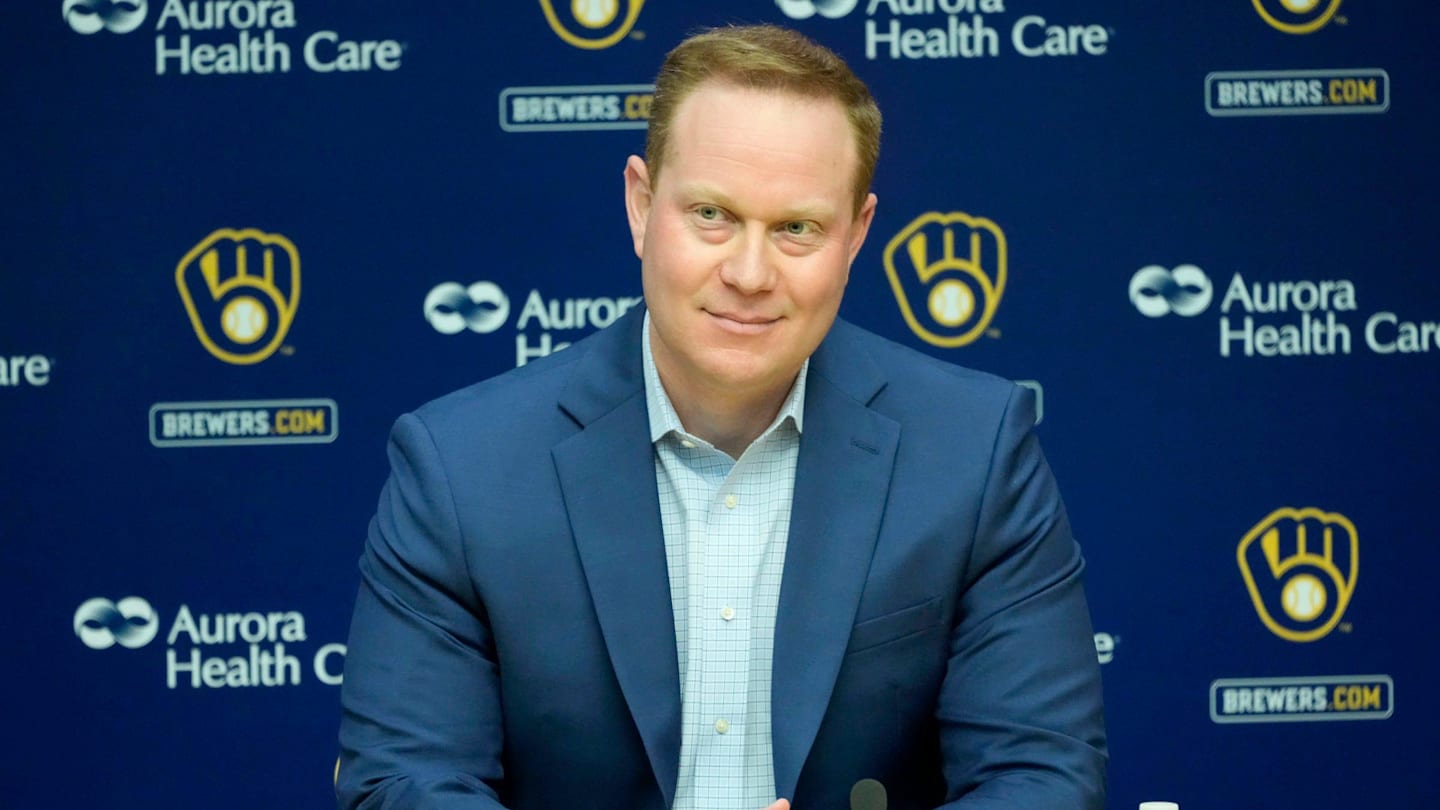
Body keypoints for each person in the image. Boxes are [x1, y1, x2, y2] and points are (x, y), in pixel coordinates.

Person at [336, 24, 1105, 810]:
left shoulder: (974, 451)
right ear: (641, 205)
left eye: (797, 229)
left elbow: (1040, 777)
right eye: (712, 214)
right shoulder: (462, 469)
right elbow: (403, 783)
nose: (748, 272)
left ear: (857, 235)